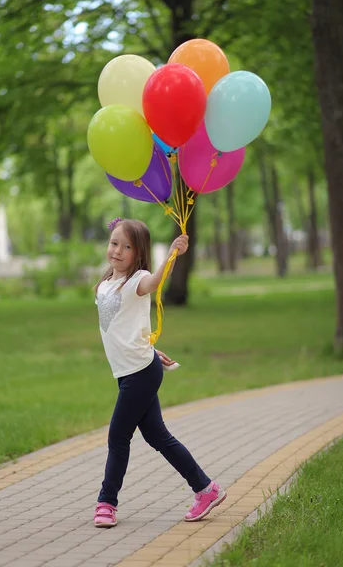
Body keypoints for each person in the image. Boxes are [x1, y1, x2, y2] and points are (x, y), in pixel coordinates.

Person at [93, 217, 226, 528]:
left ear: (139, 254)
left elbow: (154, 282)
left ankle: (106, 503)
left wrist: (172, 254)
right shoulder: (105, 284)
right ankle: (206, 489)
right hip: (134, 368)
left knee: (118, 437)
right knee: (157, 435)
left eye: (127, 247)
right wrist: (150, 349)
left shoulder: (137, 279)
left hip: (140, 373)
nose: (118, 250)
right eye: (114, 243)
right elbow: (124, 326)